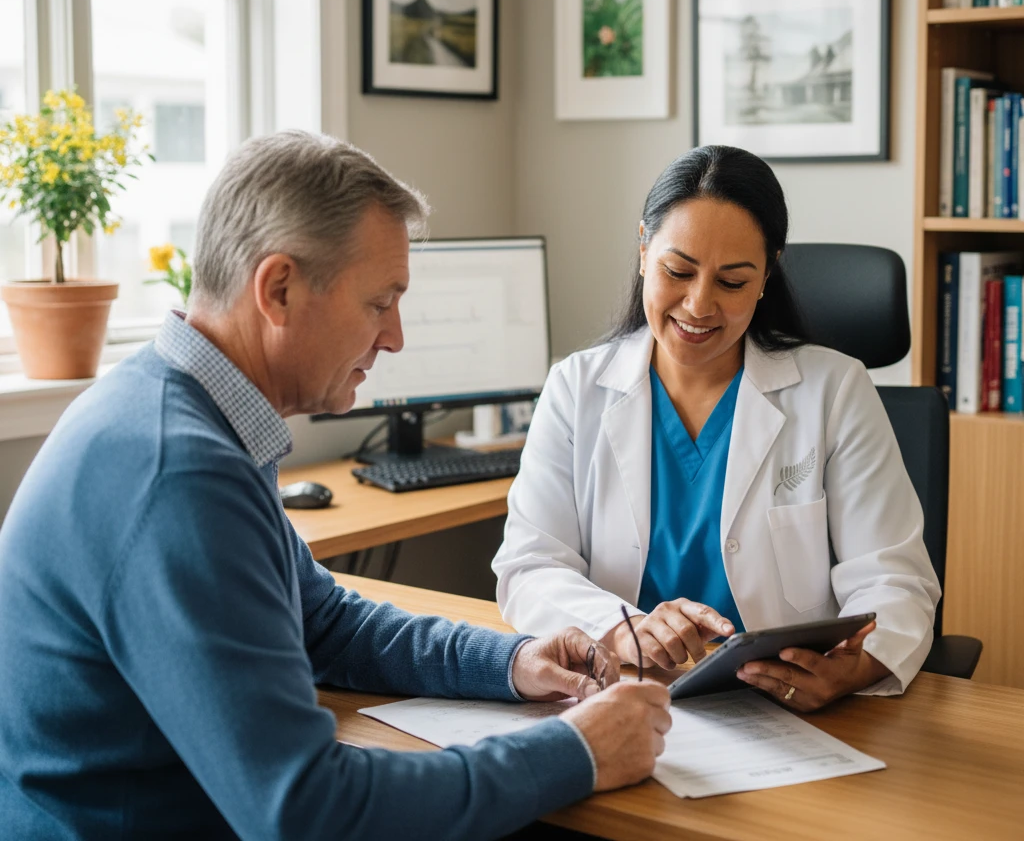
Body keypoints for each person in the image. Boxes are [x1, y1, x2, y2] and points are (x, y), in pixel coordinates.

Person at [0, 130, 672, 840]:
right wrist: (575, 752)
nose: (395, 338)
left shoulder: (185, 411)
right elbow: (304, 810)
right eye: (380, 302)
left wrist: (510, 660)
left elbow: (321, 621)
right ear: (279, 289)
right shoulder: (179, 474)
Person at [493, 145, 941, 712]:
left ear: (766, 275)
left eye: (731, 282)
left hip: (786, 710)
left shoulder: (834, 391)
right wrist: (622, 625)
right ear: (642, 251)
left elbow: (895, 580)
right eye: (677, 271)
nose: (699, 304)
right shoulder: (576, 388)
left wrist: (854, 668)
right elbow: (530, 566)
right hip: (624, 699)